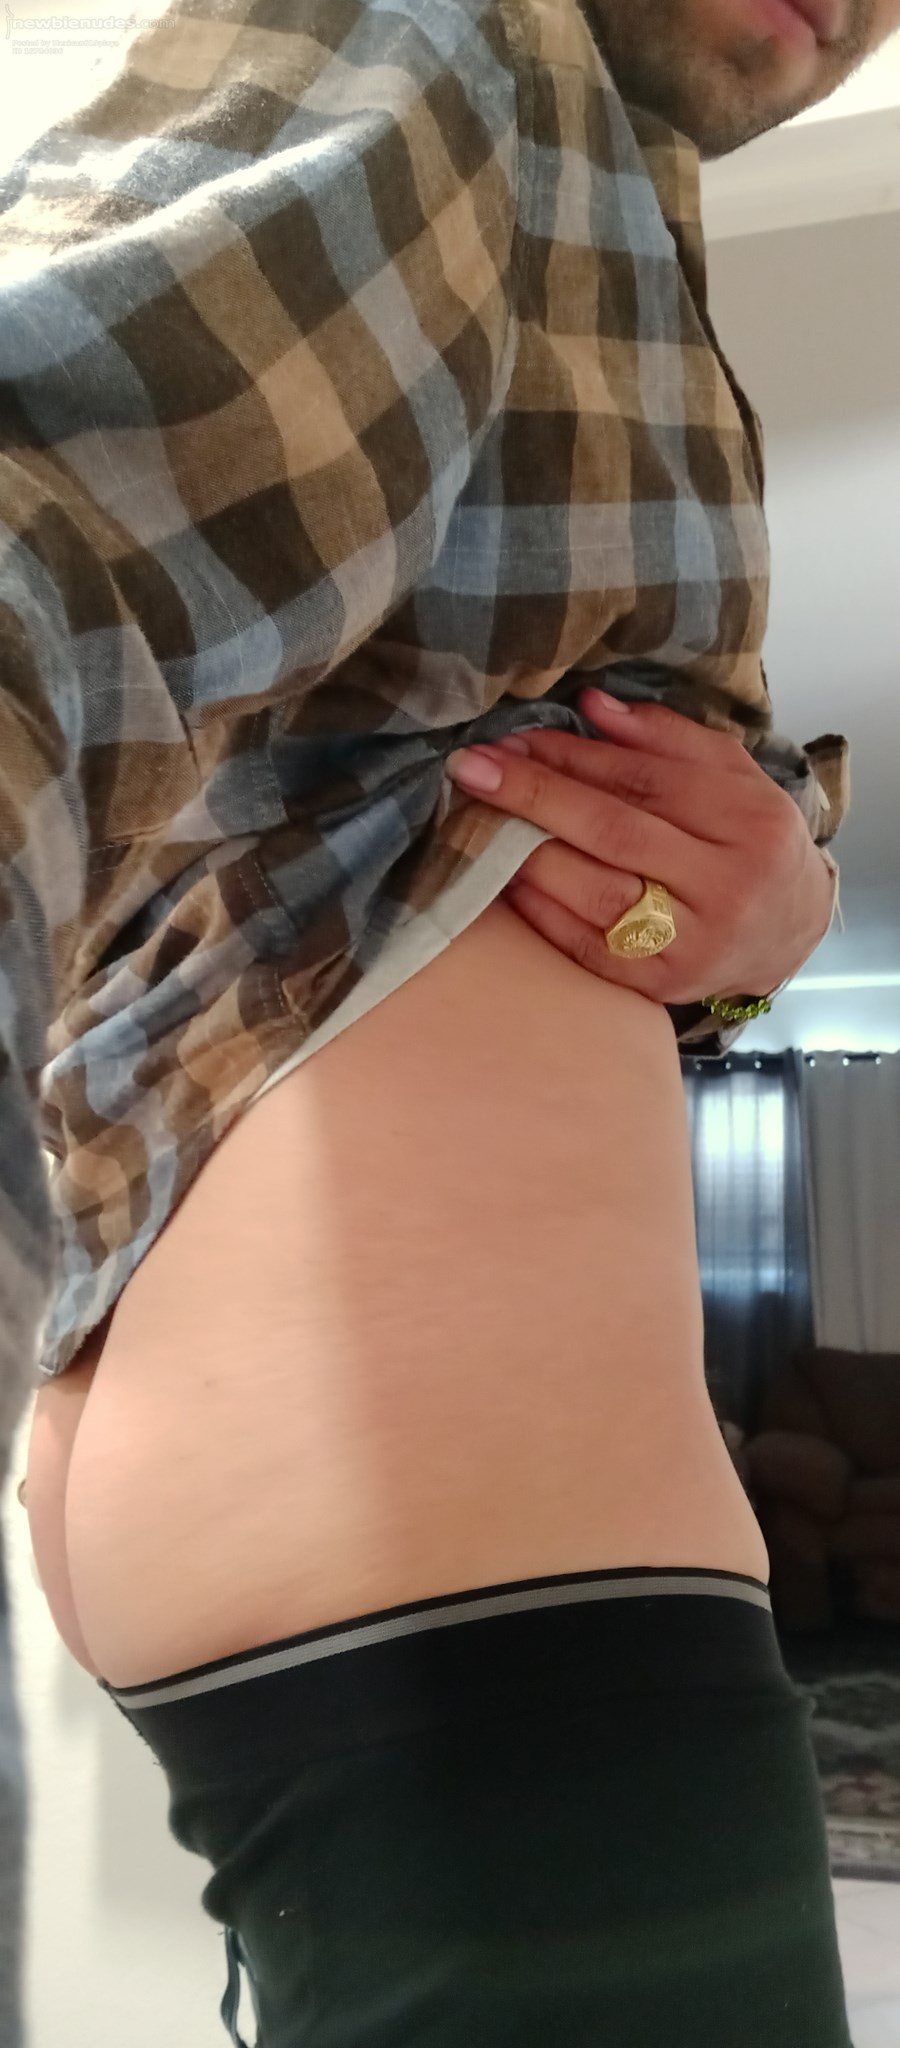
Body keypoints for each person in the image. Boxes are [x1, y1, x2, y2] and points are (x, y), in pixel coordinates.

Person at [2, 0, 896, 2038]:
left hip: (421, 1575)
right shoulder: (449, 38)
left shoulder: (584, 215)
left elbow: (384, 853)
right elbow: (37, 521)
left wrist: (771, 906)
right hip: (479, 1598)